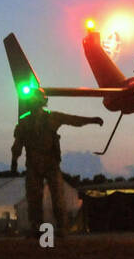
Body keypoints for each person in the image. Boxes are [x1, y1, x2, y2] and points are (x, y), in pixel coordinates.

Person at [10, 90, 102, 234]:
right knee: (34, 198)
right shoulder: (25, 122)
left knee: (57, 196)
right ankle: (38, 227)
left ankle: (61, 227)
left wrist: (92, 120)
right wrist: (14, 161)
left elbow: (73, 120)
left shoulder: (51, 118)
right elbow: (18, 143)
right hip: (34, 165)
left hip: (50, 163)